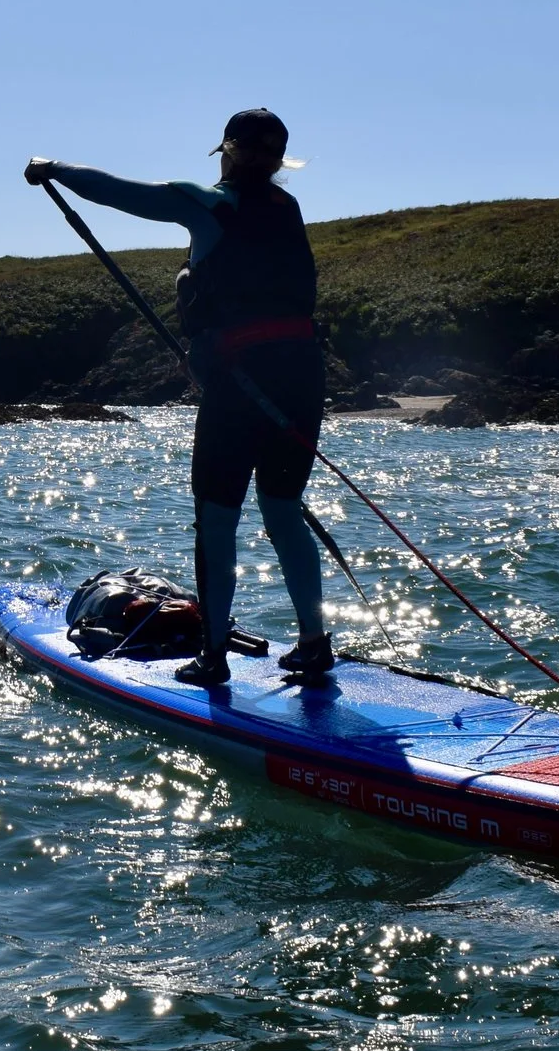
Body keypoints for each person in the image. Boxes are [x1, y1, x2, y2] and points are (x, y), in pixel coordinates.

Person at [25, 108, 330, 687]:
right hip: (302, 378)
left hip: (242, 386)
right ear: (278, 161)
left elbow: (118, 192)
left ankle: (212, 658)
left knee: (217, 522)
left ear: (227, 151)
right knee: (284, 511)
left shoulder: (210, 203)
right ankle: (314, 645)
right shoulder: (287, 208)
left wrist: (54, 168)